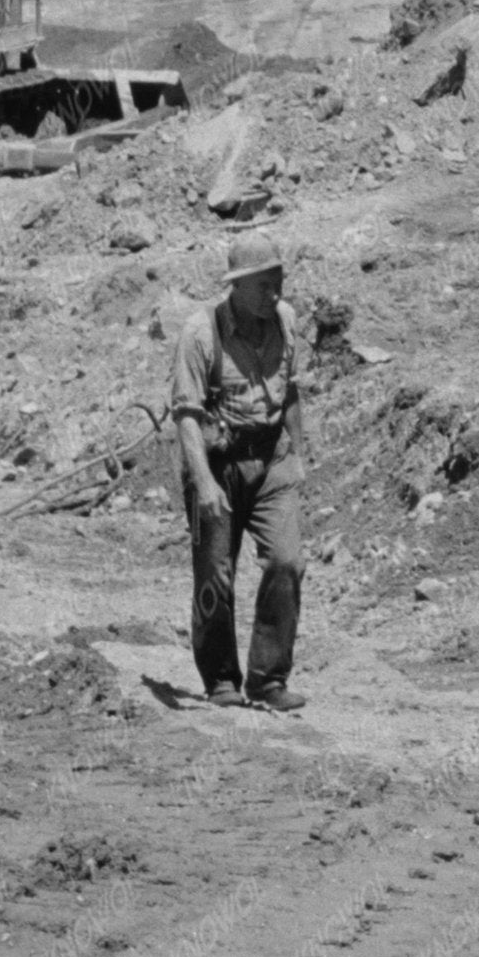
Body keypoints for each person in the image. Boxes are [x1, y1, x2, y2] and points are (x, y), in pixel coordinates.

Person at [174, 255, 308, 708]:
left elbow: (289, 390)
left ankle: (268, 680)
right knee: (215, 573)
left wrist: (299, 453)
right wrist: (205, 483)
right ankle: (220, 679)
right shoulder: (200, 333)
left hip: (272, 457)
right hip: (218, 462)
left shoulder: (285, 321)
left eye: (279, 283)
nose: (276, 295)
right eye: (265, 286)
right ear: (237, 286)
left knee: (287, 561)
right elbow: (187, 417)